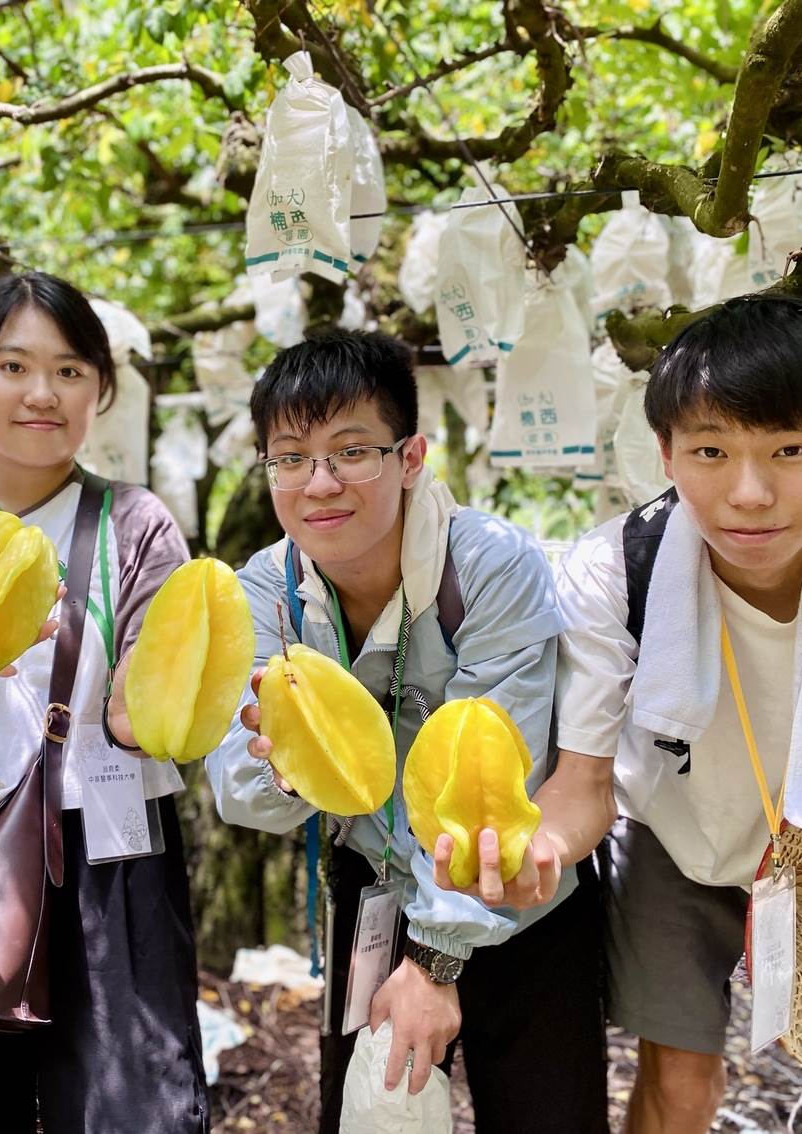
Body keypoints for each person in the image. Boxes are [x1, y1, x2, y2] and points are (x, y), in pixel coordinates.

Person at [506, 295, 802, 1133]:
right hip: (676, 830)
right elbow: (583, 784)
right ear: (665, 452)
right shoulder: (614, 570)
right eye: (710, 451)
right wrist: (536, 851)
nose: (749, 493)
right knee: (677, 1079)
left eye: (790, 450)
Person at [204, 330, 608, 1132]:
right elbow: (243, 796)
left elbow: (502, 787)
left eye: (352, 452)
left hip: (515, 891)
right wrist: (286, 765)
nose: (320, 483)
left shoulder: (488, 565)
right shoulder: (264, 593)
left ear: (411, 457)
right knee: (370, 1114)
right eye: (291, 458)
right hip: (375, 889)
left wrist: (434, 961)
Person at [0, 271, 211, 1134]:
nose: (41, 393)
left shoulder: (136, 524)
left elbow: (153, 691)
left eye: (69, 371)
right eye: (12, 366)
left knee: (132, 1107)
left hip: (111, 853)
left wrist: (162, 709)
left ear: (101, 386)